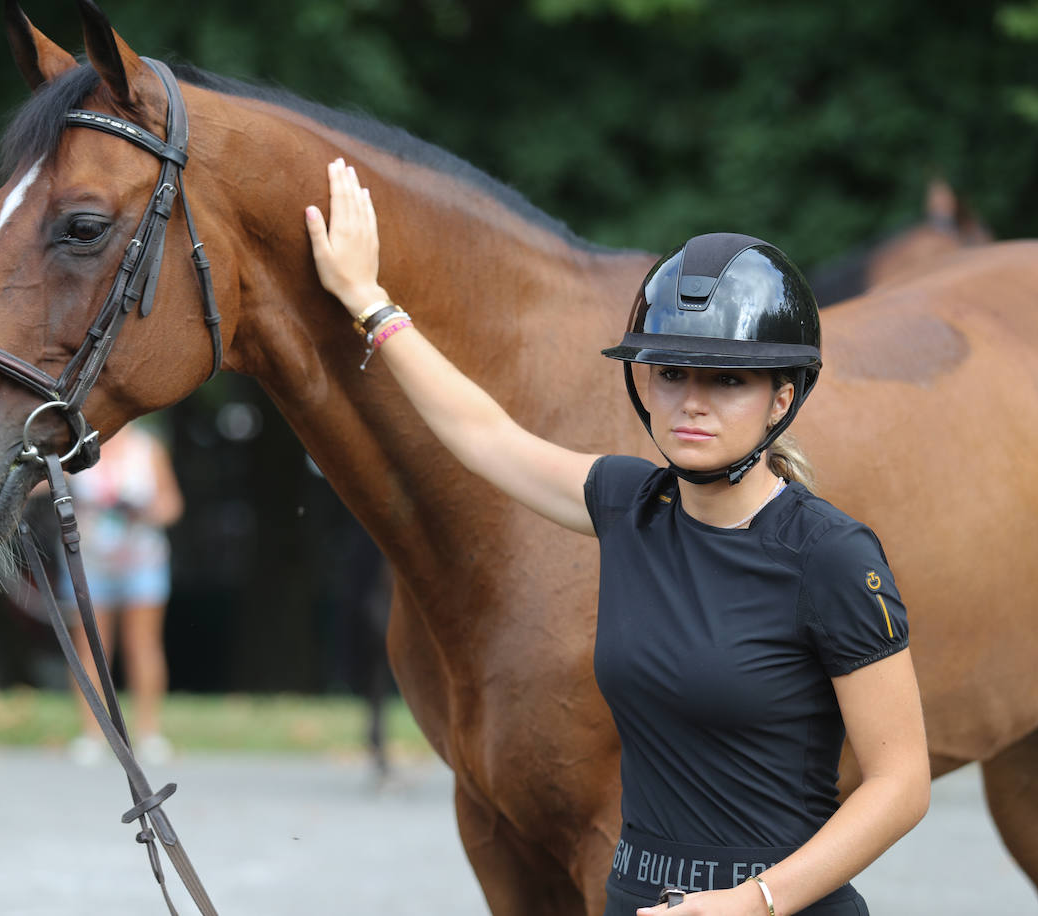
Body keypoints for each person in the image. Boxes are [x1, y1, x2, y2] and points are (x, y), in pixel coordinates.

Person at [305, 158, 929, 915]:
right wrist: (369, 301)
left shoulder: (831, 555)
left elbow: (901, 786)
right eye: (670, 373)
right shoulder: (628, 503)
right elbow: (483, 435)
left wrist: (753, 901)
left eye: (727, 380)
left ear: (782, 397)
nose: (690, 402)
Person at [62, 419, 184, 767]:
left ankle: (148, 732)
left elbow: (172, 504)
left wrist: (145, 511)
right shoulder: (76, 449)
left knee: (142, 645)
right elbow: (46, 486)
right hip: (88, 565)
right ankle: (92, 734)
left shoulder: (148, 449)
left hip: (143, 562)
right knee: (91, 647)